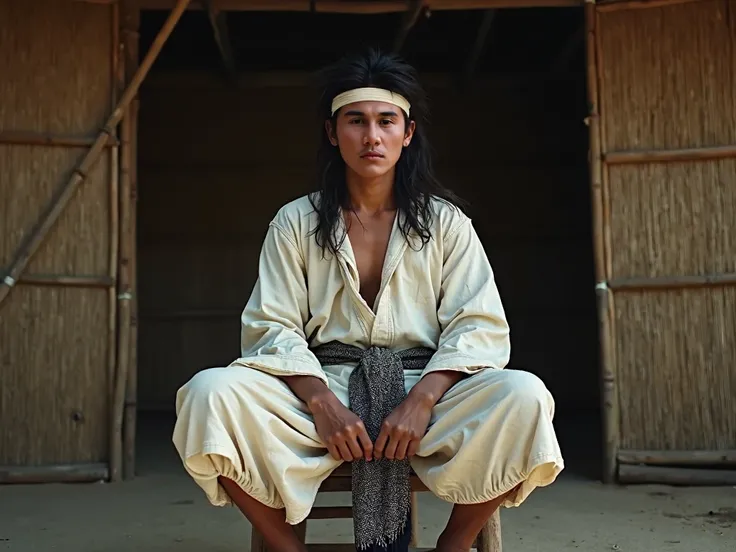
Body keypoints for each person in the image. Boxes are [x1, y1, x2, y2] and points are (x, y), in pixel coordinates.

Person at [172, 48, 563, 552]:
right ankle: (287, 548)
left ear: (408, 132)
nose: (372, 136)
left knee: (525, 397)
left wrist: (422, 400)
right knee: (208, 395)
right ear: (333, 133)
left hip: (428, 388)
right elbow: (273, 326)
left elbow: (478, 326)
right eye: (355, 121)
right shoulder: (295, 223)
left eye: (386, 121)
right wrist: (320, 402)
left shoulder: (446, 223)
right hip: (323, 385)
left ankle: (455, 544)